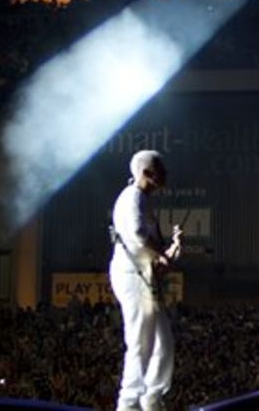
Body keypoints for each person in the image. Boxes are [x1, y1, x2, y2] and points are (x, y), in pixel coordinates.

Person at [110, 150, 182, 411]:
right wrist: (161, 253)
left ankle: (151, 398)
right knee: (141, 342)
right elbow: (139, 235)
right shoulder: (133, 197)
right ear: (147, 173)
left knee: (163, 342)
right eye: (161, 170)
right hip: (132, 275)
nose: (166, 175)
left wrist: (171, 249)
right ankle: (128, 404)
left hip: (143, 275)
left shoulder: (143, 201)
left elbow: (153, 251)